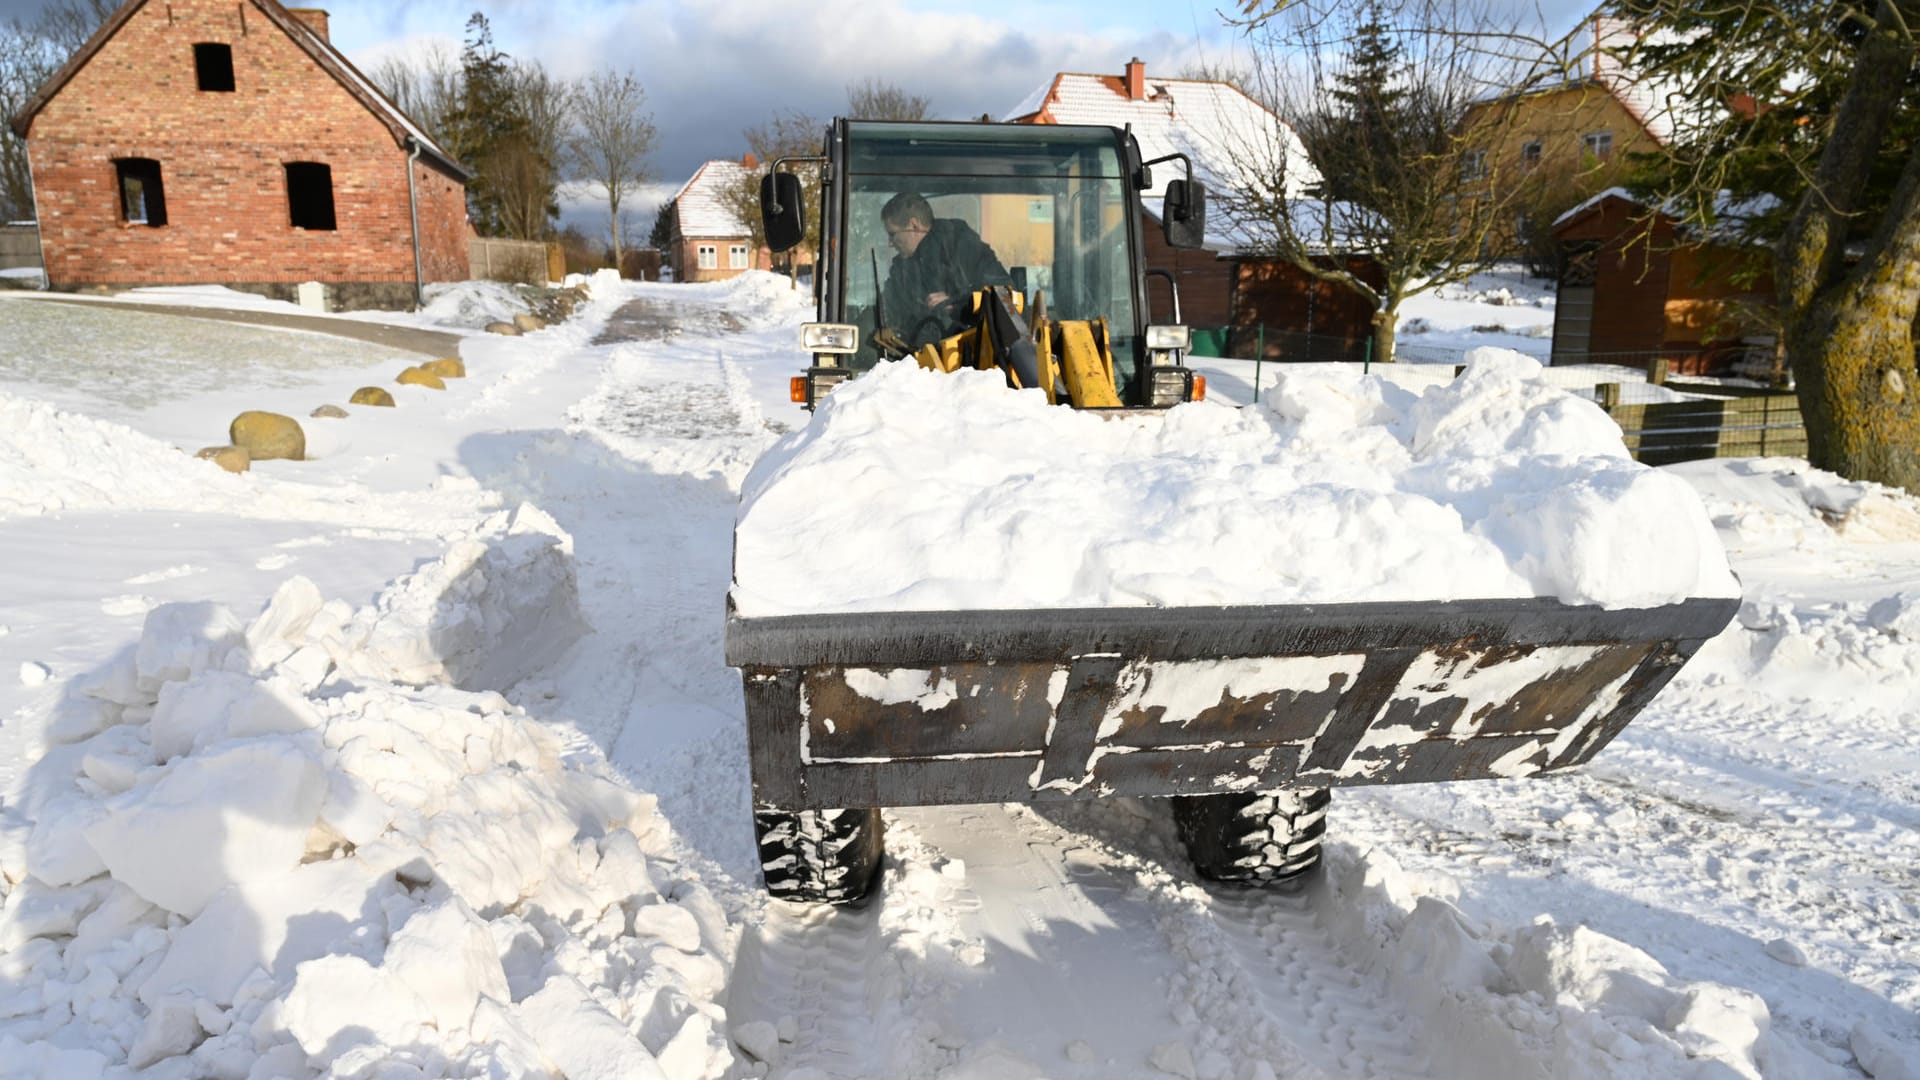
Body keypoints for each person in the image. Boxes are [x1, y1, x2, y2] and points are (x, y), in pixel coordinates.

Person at [879, 192, 1013, 349]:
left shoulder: (960, 245)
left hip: (970, 362)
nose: (890, 243)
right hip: (915, 362)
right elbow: (888, 309)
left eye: (892, 234)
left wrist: (957, 305)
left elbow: (1003, 295)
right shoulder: (901, 270)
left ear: (914, 225)